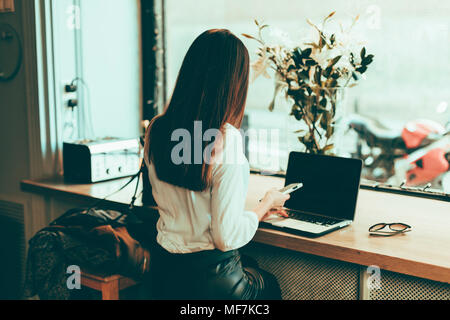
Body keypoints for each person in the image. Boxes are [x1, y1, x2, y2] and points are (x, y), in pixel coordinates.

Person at [143, 29, 289, 300]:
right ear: (235, 84)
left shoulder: (156, 128)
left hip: (165, 275)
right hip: (210, 282)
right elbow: (227, 237)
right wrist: (265, 203)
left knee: (251, 266)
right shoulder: (227, 139)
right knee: (268, 284)